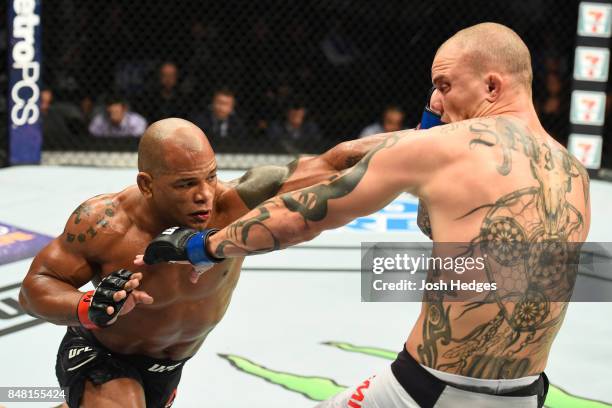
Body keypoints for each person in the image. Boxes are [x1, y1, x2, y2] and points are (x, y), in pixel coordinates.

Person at [141, 23, 591, 407]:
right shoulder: (574, 173)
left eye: (445, 85)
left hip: (429, 389)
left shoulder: (445, 147)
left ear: (492, 86)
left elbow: (304, 216)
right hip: (526, 394)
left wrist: (203, 246)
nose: (436, 100)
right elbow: (440, 228)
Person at [18, 117, 391, 408]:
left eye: (210, 177)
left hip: (169, 367)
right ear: (147, 184)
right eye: (184, 184)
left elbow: (337, 161)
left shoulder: (235, 203)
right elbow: (35, 288)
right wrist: (90, 306)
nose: (204, 196)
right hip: (105, 354)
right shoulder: (103, 224)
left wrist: (433, 134)